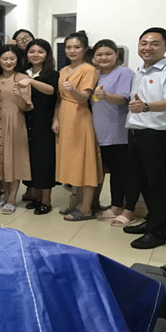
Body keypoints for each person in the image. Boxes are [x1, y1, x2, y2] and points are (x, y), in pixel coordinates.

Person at [123, 27, 166, 249]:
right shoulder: (139, 71)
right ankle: (151, 221)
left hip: (158, 137)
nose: (147, 47)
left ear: (165, 47)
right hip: (136, 134)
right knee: (142, 182)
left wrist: (146, 107)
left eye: (154, 43)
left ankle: (158, 233)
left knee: (158, 185)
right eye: (144, 43)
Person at [54, 31, 102, 221]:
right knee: (72, 162)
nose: (72, 51)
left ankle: (87, 208)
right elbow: (59, 99)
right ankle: (78, 204)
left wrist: (73, 90)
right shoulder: (63, 70)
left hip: (79, 117)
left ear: (84, 49)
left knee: (85, 162)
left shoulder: (89, 69)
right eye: (68, 47)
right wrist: (55, 119)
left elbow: (84, 97)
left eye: (76, 47)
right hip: (65, 117)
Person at [89, 39, 137, 227]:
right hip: (99, 132)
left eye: (108, 53)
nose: (103, 58)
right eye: (99, 54)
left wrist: (106, 96)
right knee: (112, 172)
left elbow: (124, 99)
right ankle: (115, 205)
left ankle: (125, 209)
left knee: (123, 172)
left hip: (118, 132)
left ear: (116, 54)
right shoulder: (94, 74)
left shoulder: (124, 73)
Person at [0, 45, 33, 215]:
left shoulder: (22, 78)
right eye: (5, 59)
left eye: (12, 58)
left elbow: (26, 107)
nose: (8, 62)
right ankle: (5, 195)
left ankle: (12, 198)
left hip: (15, 122)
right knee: (0, 159)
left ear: (17, 60)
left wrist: (19, 95)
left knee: (14, 160)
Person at [19, 39, 59, 215]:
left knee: (44, 160)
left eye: (40, 52)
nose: (35, 55)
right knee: (30, 159)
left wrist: (31, 82)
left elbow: (51, 90)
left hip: (44, 121)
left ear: (47, 54)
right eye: (32, 51)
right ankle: (34, 195)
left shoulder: (52, 73)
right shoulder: (22, 72)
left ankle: (46, 200)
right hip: (24, 120)